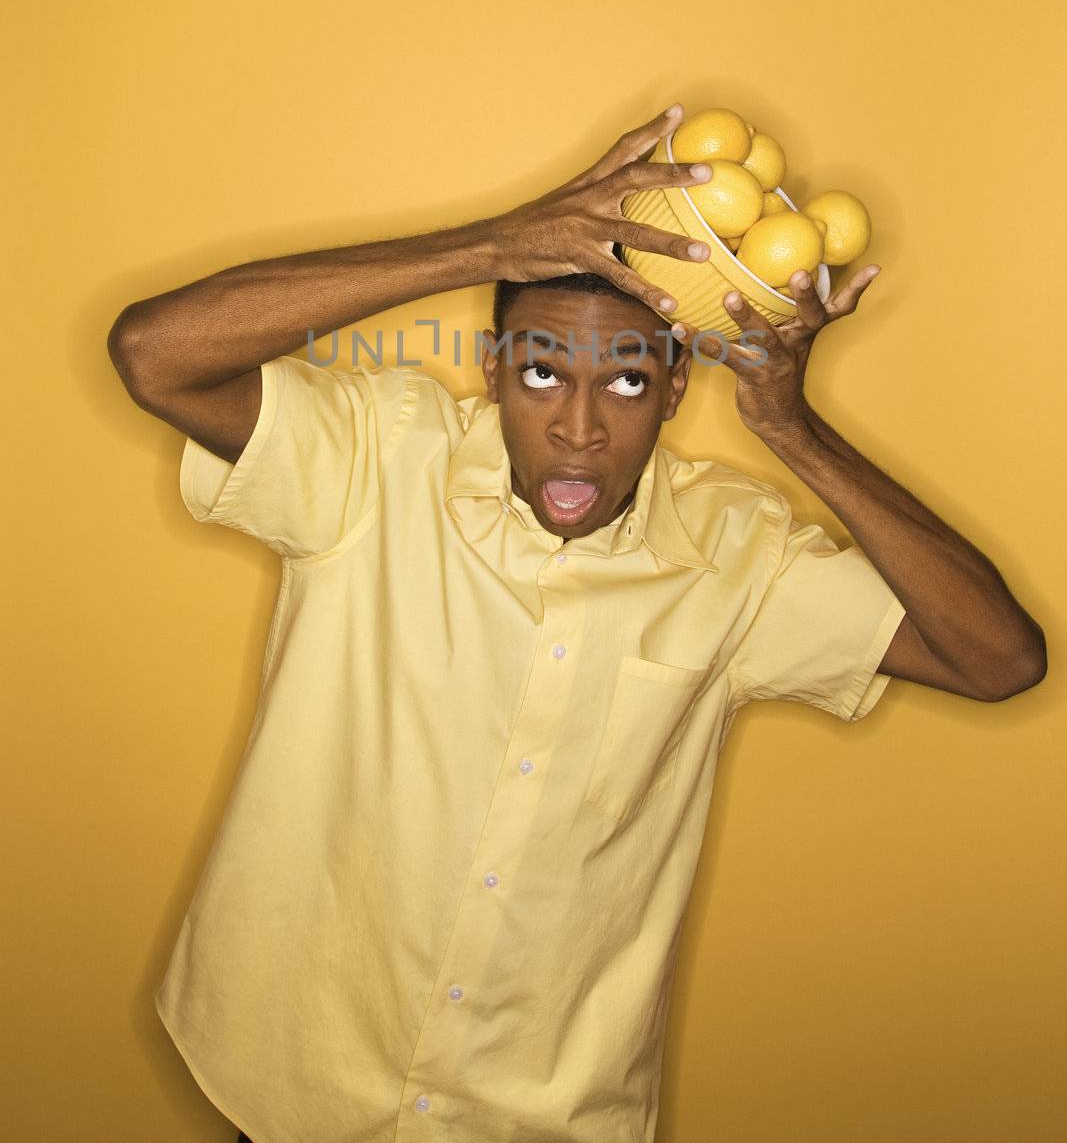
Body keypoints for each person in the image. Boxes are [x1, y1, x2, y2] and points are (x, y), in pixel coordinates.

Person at [108, 103, 1046, 1143]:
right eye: (543, 371)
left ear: (677, 383)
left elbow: (998, 657)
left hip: (542, 1123)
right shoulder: (378, 459)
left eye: (628, 380)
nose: (579, 428)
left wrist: (790, 426)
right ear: (493, 367)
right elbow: (153, 353)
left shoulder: (740, 556)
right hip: (292, 1086)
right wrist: (494, 242)